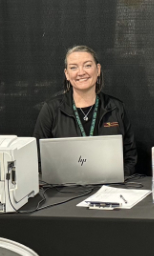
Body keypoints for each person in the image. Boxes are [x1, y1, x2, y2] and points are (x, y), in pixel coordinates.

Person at [33, 45, 138, 175]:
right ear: (67, 74)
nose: (81, 72)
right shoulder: (51, 109)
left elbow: (130, 158)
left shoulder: (116, 108)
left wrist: (115, 179)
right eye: (73, 67)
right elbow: (37, 159)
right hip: (64, 191)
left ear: (98, 70)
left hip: (109, 189)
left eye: (87, 65)